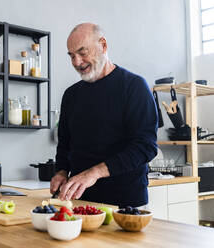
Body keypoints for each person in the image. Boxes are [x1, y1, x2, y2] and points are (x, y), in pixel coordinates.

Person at [51, 23, 158, 208]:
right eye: (72, 56)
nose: (77, 62)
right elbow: (64, 146)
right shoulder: (71, 95)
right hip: (80, 201)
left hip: (125, 203)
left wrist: (94, 173)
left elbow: (145, 147)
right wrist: (61, 171)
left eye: (83, 53)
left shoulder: (134, 87)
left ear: (103, 45)